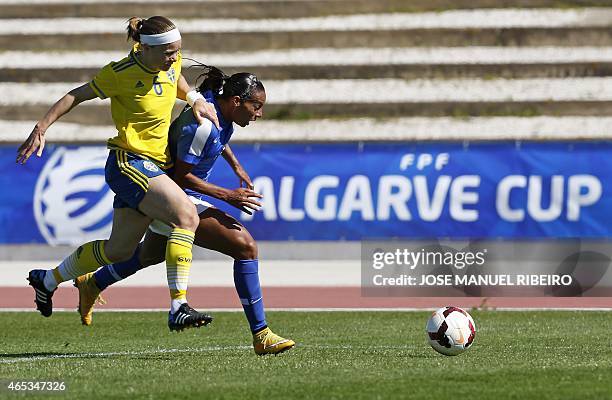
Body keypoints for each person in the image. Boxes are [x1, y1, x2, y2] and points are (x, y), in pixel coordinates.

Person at [17, 16, 221, 331]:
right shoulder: (120, 73)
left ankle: (47, 280)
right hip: (130, 162)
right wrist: (41, 126)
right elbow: (76, 95)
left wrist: (193, 99)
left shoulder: (169, 62)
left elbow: (177, 76)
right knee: (186, 216)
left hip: (152, 164)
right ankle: (179, 306)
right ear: (146, 48)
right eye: (168, 52)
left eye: (177, 51)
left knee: (119, 250)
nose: (174, 58)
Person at [75, 66, 296, 355]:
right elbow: (180, 176)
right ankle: (261, 334)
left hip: (170, 189)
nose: (259, 114)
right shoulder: (203, 125)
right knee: (245, 247)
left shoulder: (217, 109)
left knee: (150, 253)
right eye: (257, 106)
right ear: (236, 102)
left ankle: (94, 282)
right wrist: (228, 195)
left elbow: (219, 138)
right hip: (174, 193)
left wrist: (236, 165)